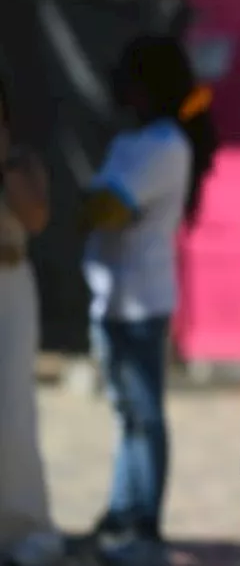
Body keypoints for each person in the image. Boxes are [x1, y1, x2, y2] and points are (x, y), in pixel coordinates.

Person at [81, 34, 217, 564]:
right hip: (111, 299)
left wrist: (91, 202)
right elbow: (96, 206)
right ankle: (122, 510)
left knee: (144, 416)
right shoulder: (134, 139)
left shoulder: (164, 142)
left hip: (140, 304)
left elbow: (105, 209)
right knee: (126, 414)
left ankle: (142, 523)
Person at [0, 72, 63, 566]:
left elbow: (36, 219)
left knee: (11, 411)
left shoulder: (21, 163)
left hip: (10, 291)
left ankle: (21, 523)